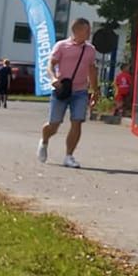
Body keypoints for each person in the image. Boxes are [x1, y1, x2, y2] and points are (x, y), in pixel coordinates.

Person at [38, 17, 100, 169]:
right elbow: (50, 65)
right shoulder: (61, 46)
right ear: (77, 30)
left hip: (80, 91)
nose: (89, 33)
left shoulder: (90, 50)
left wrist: (95, 90)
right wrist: (53, 78)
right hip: (61, 89)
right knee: (54, 125)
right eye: (87, 30)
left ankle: (69, 156)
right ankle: (44, 141)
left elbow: (92, 71)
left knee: (77, 122)